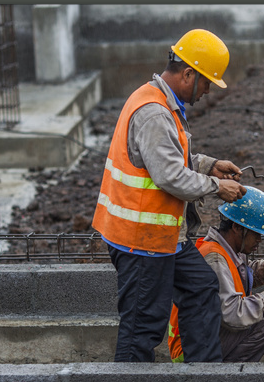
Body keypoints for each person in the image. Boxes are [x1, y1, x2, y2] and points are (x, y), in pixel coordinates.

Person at [91, 28, 247, 363]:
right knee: (142, 327)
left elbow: (169, 159)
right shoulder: (154, 112)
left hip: (163, 238)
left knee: (202, 288)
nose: (206, 91)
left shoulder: (162, 103)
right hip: (141, 241)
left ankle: (204, 369)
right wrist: (219, 187)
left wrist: (210, 165)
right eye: (206, 82)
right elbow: (171, 177)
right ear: (188, 73)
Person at [169, 186, 264, 363]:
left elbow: (243, 274)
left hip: (205, 337)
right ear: (236, 227)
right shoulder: (214, 258)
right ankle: (233, 374)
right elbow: (233, 315)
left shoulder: (230, 250)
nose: (259, 240)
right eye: (256, 234)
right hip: (191, 350)